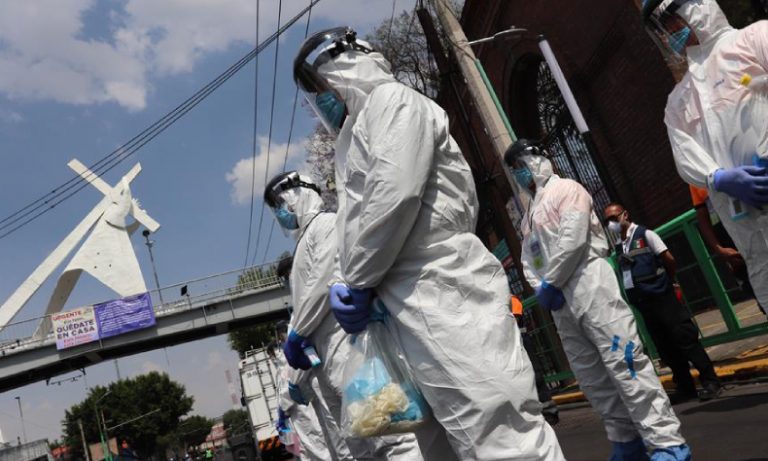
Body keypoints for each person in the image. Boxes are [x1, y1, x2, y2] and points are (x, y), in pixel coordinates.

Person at [293, 27, 565, 460]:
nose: (323, 100)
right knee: (440, 442)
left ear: (345, 66)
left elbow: (394, 196)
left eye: (322, 86)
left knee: (496, 430)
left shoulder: (392, 102)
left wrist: (358, 280)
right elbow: (357, 222)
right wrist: (349, 280)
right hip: (402, 302)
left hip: (441, 287)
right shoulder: (353, 136)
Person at [505, 138, 691, 460]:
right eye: (515, 169)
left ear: (539, 159)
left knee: (625, 361)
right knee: (592, 377)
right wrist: (540, 286)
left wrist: (551, 281)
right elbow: (528, 259)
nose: (522, 173)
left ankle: (667, 443)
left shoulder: (569, 190)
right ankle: (626, 441)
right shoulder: (528, 217)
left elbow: (573, 239)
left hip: (589, 281)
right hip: (560, 299)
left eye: (524, 165)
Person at [264, 171, 428, 460]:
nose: (280, 213)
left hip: (351, 349)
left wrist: (296, 333)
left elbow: (322, 283)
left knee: (391, 437)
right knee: (363, 444)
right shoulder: (302, 243)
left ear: (298, 194)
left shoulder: (325, 224)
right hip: (330, 359)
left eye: (279, 203)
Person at [643, 0, 768, 319]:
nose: (671, 32)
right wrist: (718, 177)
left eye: (672, 20)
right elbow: (685, 154)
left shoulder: (755, 39)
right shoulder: (679, 99)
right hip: (748, 232)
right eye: (662, 28)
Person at [603, 202, 722, 401]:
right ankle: (685, 386)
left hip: (662, 296)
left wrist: (667, 281)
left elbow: (669, 259)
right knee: (665, 345)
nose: (611, 223)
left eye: (614, 218)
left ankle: (710, 381)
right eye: (607, 220)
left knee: (685, 338)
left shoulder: (645, 235)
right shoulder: (619, 246)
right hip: (643, 302)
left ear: (625, 214)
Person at [690, 185, 767, 316]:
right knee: (760, 295)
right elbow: (702, 216)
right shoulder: (696, 179)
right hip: (735, 249)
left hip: (759, 232)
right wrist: (719, 249)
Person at [511, 295, 559, 425]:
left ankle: (549, 412)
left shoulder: (510, 300)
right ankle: (537, 413)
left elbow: (515, 318)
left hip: (520, 341)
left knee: (535, 377)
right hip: (512, 343)